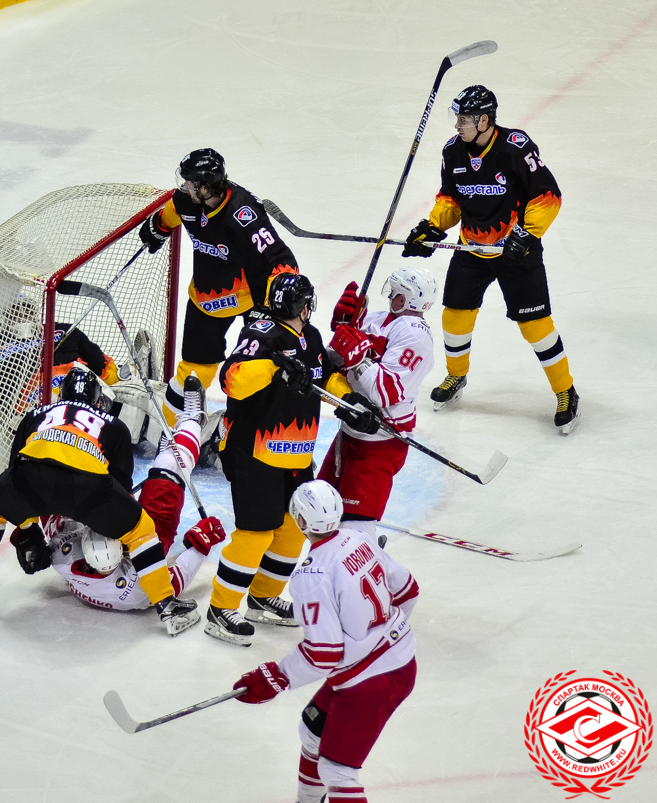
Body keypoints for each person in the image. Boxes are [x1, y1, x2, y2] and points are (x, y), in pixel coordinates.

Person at [0, 364, 200, 636]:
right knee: (141, 529)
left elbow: (16, 472)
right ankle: (166, 604)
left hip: (33, 478)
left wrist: (27, 530)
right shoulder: (114, 425)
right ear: (98, 400)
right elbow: (119, 488)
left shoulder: (34, 415)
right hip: (87, 487)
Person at [207, 273, 375, 646]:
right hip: (253, 454)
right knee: (255, 534)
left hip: (296, 454)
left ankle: (262, 597)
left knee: (293, 529)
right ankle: (220, 609)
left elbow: (324, 376)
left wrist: (350, 403)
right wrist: (273, 366)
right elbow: (232, 380)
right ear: (302, 306)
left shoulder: (309, 336)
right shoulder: (261, 334)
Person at [401, 84, 579, 433]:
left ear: (484, 120)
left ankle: (565, 390)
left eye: (464, 119)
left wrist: (527, 234)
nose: (457, 125)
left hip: (516, 251)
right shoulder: (453, 151)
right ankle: (456, 376)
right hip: (472, 249)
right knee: (454, 317)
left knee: (536, 327)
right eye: (457, 118)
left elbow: (547, 195)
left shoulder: (515, 147)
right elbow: (451, 199)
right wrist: (433, 227)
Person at [232, 480, 419, 803]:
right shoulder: (359, 539)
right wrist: (383, 636)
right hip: (398, 661)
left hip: (371, 681)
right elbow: (408, 590)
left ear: (299, 520)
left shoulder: (311, 575)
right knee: (312, 731)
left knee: (337, 771)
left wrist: (278, 676)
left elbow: (324, 654)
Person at [138, 148, 298, 427]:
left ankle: (242, 429)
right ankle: (171, 430)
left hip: (251, 299)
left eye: (190, 182)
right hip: (206, 298)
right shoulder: (185, 201)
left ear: (205, 187)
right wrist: (158, 227)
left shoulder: (243, 213)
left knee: (251, 370)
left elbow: (280, 258)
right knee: (194, 370)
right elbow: (170, 215)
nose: (184, 186)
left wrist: (283, 292)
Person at [44, 394, 227, 616]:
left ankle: (178, 435)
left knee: (85, 478)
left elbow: (49, 505)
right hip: (142, 542)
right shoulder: (139, 589)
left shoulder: (62, 554)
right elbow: (177, 579)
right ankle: (192, 420)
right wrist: (200, 542)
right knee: (170, 469)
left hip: (104, 513)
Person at [322, 266, 437, 545]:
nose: (390, 296)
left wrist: (358, 357)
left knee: (354, 534)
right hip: (348, 434)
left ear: (404, 298)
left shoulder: (416, 336)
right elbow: (334, 362)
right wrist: (343, 328)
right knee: (319, 517)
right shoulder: (376, 320)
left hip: (380, 444)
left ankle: (372, 555)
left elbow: (384, 392)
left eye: (395, 292)